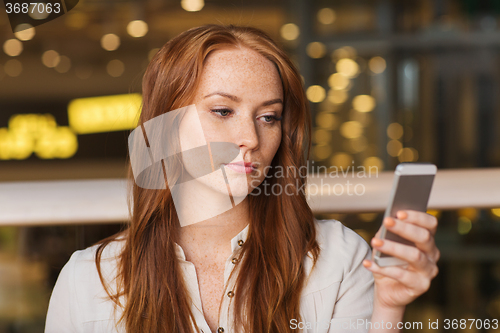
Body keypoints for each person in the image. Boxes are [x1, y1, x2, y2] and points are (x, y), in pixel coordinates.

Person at [45, 24, 440, 333]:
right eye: (222, 111)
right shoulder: (89, 280)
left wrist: (389, 307)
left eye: (269, 117)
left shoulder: (338, 258)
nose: (250, 139)